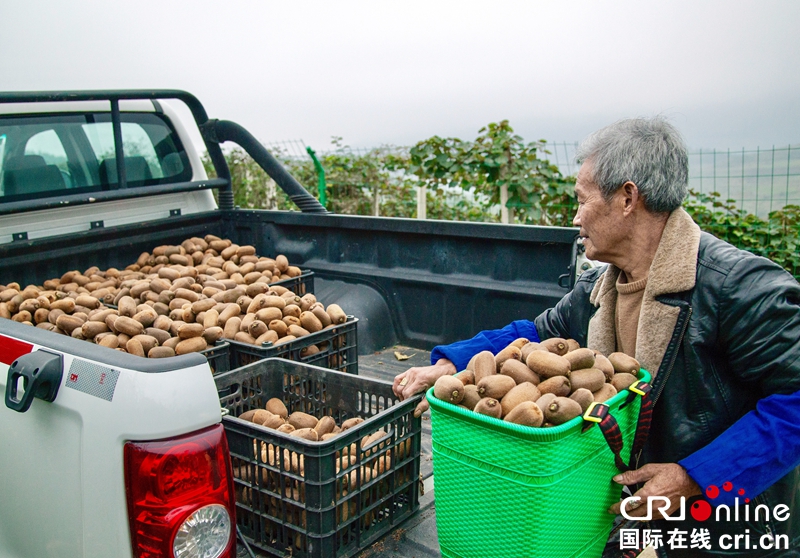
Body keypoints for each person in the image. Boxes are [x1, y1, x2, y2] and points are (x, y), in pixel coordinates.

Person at [393, 117, 800, 557]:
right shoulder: (599, 287)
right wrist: (450, 364)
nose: (575, 216)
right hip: (628, 509)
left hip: (731, 531)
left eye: (581, 201)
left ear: (627, 198)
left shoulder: (739, 287)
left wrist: (695, 477)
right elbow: (537, 334)